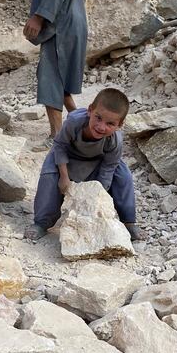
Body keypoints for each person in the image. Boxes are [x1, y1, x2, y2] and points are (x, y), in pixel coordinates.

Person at [26, 88, 142, 241]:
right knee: (49, 178)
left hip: (96, 163)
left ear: (120, 125)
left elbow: (108, 167)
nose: (101, 127)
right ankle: (41, 223)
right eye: (98, 118)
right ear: (89, 110)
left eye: (110, 124)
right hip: (66, 159)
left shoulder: (115, 141)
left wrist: (98, 194)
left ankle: (128, 222)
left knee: (123, 174)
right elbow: (59, 146)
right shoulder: (74, 121)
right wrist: (64, 177)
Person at [24, 0, 87, 148]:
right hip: (63, 23)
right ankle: (82, 122)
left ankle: (57, 137)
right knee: (57, 78)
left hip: (61, 25)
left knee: (50, 77)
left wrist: (39, 18)